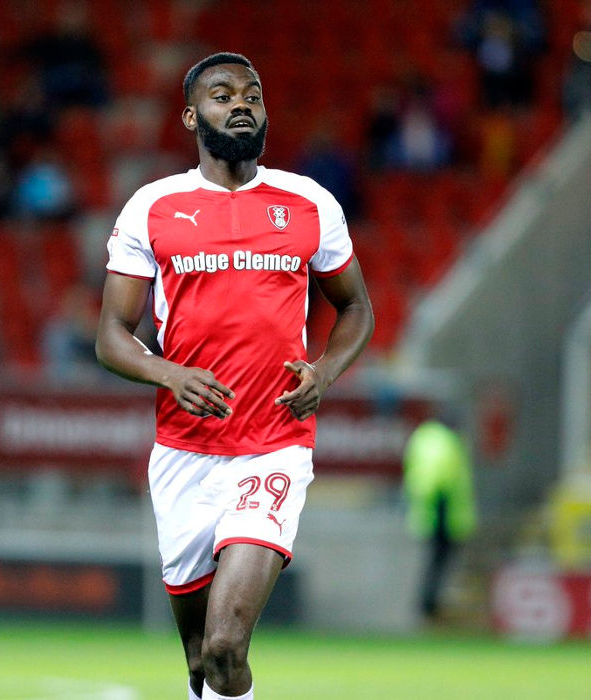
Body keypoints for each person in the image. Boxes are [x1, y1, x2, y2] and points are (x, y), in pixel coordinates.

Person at [95, 53, 374, 700]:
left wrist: (326, 370)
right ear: (191, 117)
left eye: (253, 94)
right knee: (200, 660)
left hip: (274, 445)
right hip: (184, 454)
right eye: (222, 96)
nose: (241, 104)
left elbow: (356, 306)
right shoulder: (152, 207)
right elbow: (110, 335)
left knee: (226, 646)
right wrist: (169, 374)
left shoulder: (309, 203)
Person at [402, 415, 477, 620]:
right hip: (443, 512)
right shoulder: (444, 442)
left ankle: (430, 604)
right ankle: (430, 605)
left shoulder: (423, 438)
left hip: (429, 512)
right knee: (440, 562)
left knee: (435, 561)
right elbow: (440, 478)